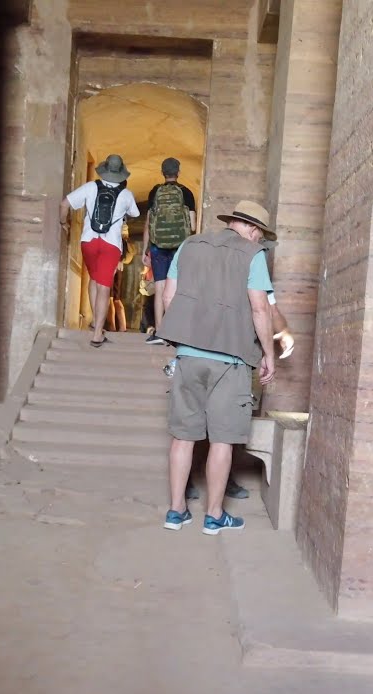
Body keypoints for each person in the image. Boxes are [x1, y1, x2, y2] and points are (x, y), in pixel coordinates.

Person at [156, 200, 277, 534]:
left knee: (182, 437)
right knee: (222, 440)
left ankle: (176, 511)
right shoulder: (253, 255)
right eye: (260, 235)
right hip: (231, 360)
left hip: (187, 356)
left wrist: (182, 337)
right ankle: (213, 516)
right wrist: (268, 353)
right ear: (253, 230)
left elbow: (169, 296)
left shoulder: (189, 245)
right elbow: (259, 309)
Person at [59, 154, 140, 348]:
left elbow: (64, 204)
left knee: (93, 279)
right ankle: (97, 334)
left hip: (89, 241)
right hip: (111, 244)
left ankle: (96, 321)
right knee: (104, 287)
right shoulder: (126, 194)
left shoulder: (91, 187)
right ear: (120, 174)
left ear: (104, 170)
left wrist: (64, 223)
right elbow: (135, 213)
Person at [141, 157, 197, 345]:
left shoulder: (155, 192)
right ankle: (174, 333)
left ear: (163, 173)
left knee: (160, 288)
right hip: (179, 247)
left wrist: (145, 249)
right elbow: (193, 225)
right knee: (176, 289)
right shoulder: (186, 193)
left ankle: (159, 331)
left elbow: (149, 223)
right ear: (178, 172)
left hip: (158, 246)